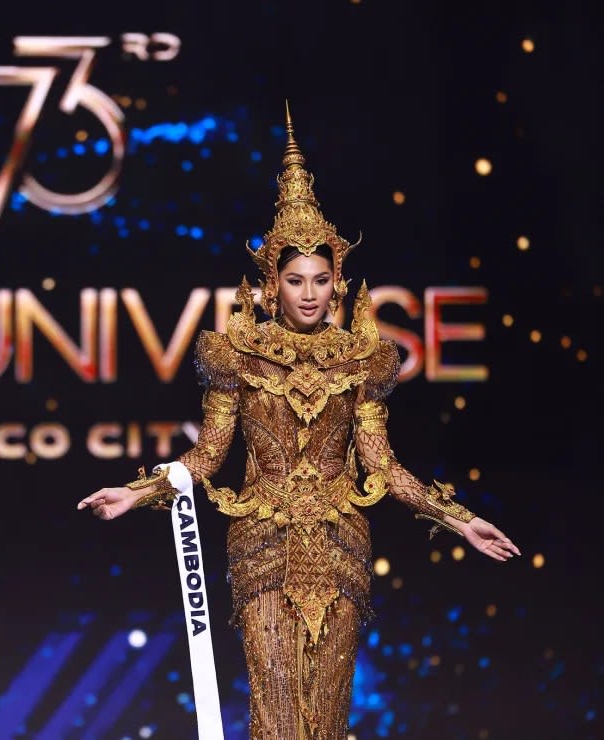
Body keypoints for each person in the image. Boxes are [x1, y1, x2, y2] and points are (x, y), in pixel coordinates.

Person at [77, 105, 519, 738]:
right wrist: (137, 491)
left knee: (328, 717)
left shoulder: (364, 360)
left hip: (340, 548)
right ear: (271, 286)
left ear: (337, 283)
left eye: (319, 279)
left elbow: (383, 465)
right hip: (262, 547)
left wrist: (461, 519)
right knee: (277, 715)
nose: (308, 293)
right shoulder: (236, 356)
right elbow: (206, 458)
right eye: (294, 280)